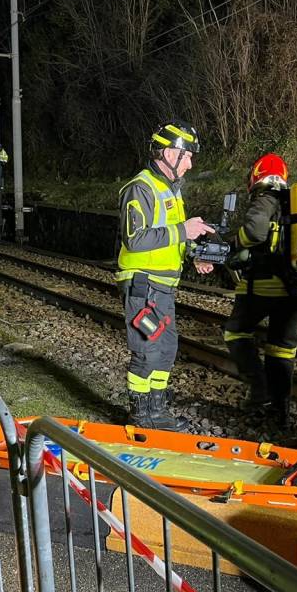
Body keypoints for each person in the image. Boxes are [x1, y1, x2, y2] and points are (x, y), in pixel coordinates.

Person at [117, 120, 216, 430]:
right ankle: (139, 416)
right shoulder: (141, 188)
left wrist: (192, 254)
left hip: (162, 287)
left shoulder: (170, 189)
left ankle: (157, 414)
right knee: (147, 351)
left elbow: (170, 237)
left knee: (166, 349)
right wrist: (182, 230)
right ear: (170, 154)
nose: (190, 163)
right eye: (187, 156)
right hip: (143, 285)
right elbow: (134, 239)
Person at [223, 152, 297, 427]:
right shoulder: (295, 206)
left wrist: (237, 243)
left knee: (235, 333)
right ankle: (281, 412)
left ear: (256, 177)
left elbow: (256, 232)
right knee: (281, 351)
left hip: (261, 288)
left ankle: (259, 388)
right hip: (294, 292)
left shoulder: (264, 199)